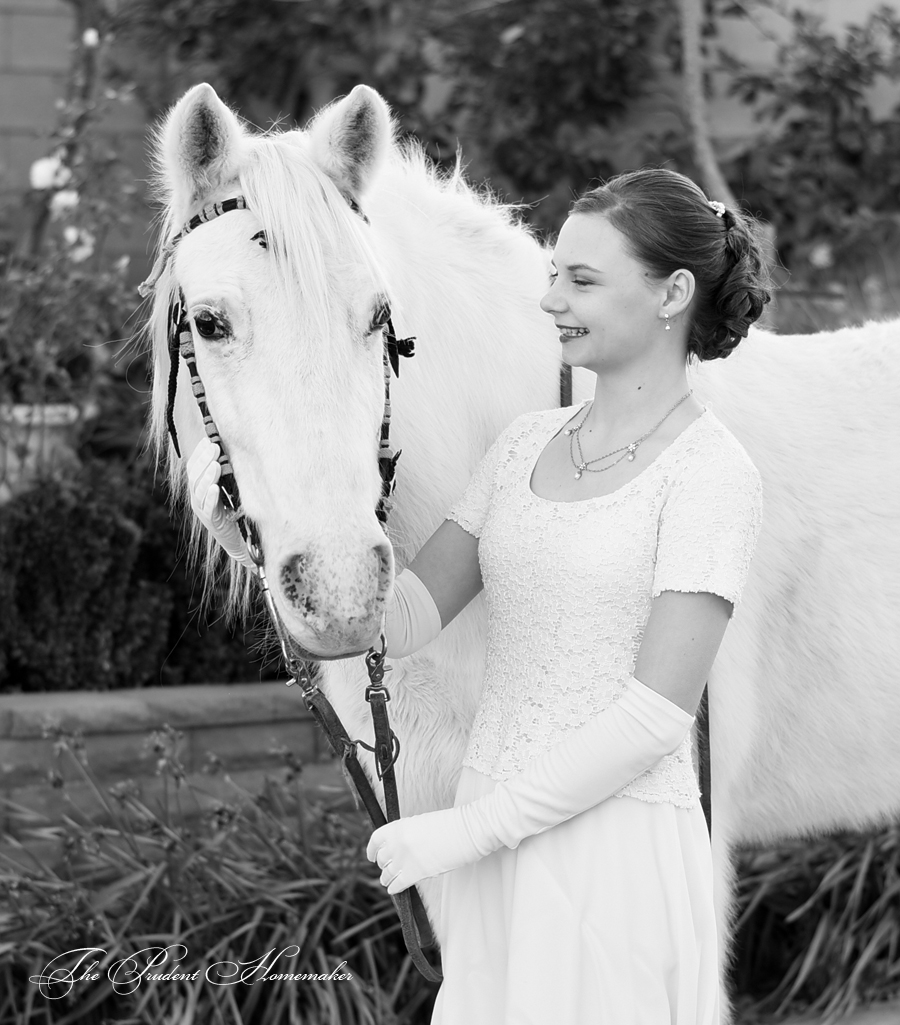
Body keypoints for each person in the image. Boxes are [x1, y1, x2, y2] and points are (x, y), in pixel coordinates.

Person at [187, 168, 769, 1024]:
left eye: (581, 279)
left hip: (614, 851)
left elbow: (653, 718)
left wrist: (465, 830)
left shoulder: (712, 474)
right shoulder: (525, 445)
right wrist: (278, 551)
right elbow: (409, 617)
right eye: (552, 275)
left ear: (671, 294)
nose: (550, 301)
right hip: (494, 853)